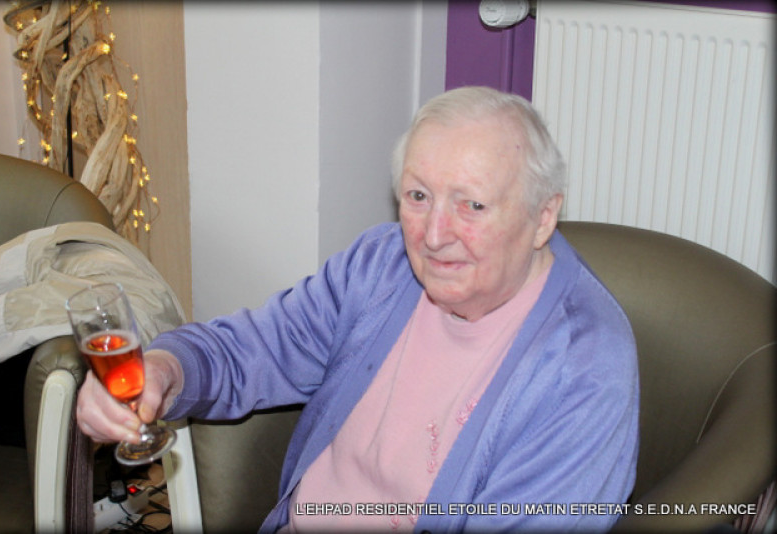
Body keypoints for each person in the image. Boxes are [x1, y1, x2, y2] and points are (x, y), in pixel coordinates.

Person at [77, 86, 639, 532]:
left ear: (544, 217)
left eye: (472, 204)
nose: (435, 235)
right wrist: (166, 369)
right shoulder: (381, 264)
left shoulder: (584, 367)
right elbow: (256, 347)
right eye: (418, 197)